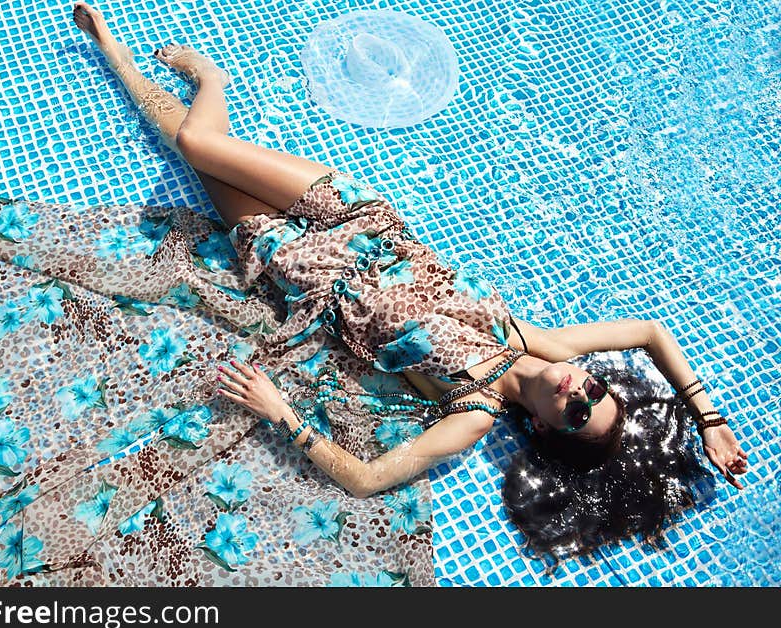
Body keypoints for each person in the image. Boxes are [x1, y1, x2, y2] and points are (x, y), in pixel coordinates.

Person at [73, 3, 748, 558]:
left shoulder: (473, 414)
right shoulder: (543, 342)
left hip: (307, 268)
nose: (578, 389)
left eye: (576, 411)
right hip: (355, 217)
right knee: (201, 146)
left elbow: (367, 479)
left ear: (544, 429)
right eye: (594, 389)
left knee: (192, 157)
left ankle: (121, 60)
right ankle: (212, 81)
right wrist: (707, 417)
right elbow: (654, 333)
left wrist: (280, 413)